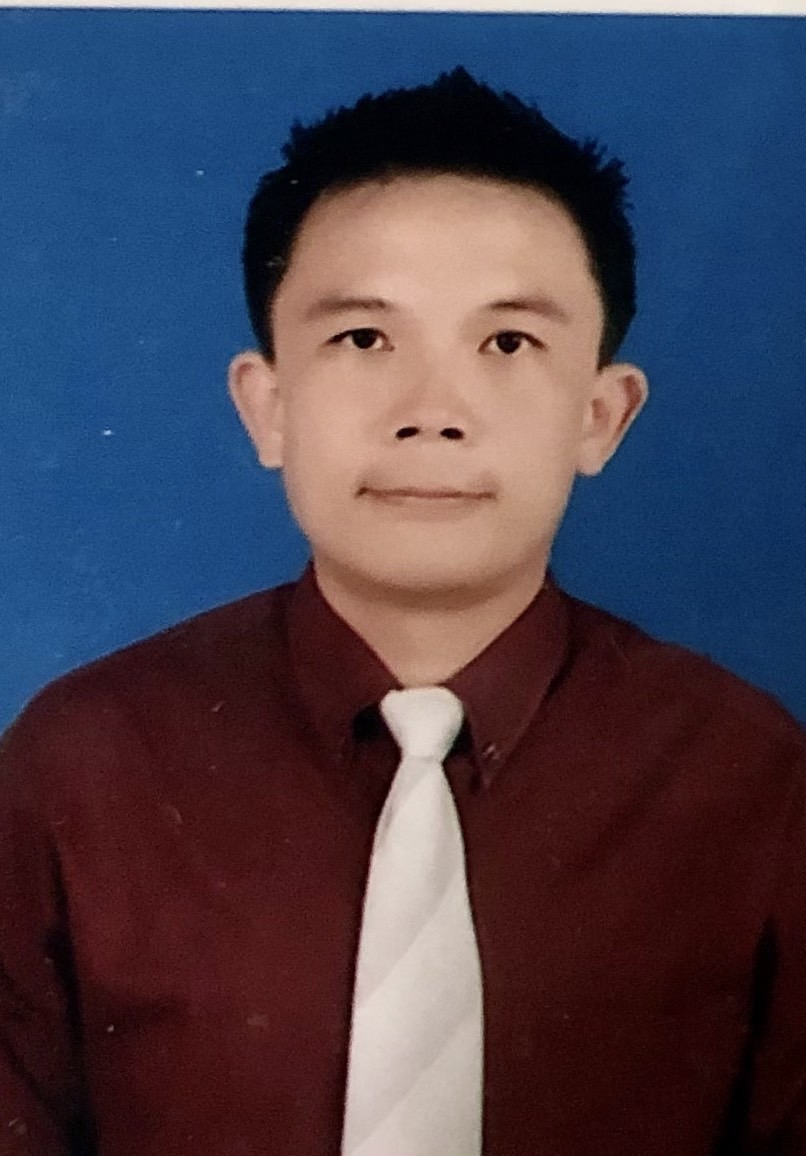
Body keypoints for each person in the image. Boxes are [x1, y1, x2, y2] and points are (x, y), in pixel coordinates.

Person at [1, 68, 804, 1156]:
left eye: (507, 343)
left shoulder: (750, 778)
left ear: (600, 415)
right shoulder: (79, 764)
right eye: (364, 340)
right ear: (267, 405)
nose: (432, 413)